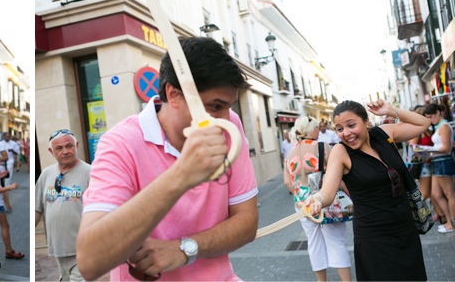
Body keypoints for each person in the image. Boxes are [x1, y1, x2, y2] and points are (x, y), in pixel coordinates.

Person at [76, 37, 258, 281]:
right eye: (215, 107)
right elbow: (90, 261)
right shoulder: (120, 143)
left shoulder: (230, 127)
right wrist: (181, 176)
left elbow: (247, 222)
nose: (225, 118)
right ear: (173, 94)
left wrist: (185, 248)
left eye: (229, 106)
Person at [306, 99, 430, 280]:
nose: (346, 133)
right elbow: (327, 192)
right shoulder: (340, 152)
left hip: (405, 229)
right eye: (340, 129)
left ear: (366, 122)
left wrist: (391, 110)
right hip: (375, 237)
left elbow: (424, 123)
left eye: (351, 125)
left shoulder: (383, 134)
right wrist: (316, 200)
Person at [283, 117, 351, 281]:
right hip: (324, 200)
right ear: (310, 130)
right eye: (315, 128)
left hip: (302, 204)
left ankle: (322, 281)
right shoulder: (321, 147)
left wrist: (301, 195)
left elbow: (287, 182)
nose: (317, 131)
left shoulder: (290, 153)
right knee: (335, 241)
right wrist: (348, 194)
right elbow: (336, 173)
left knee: (313, 243)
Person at [35, 129, 91, 282]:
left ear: (76, 145)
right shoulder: (47, 174)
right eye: (59, 148)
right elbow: (36, 209)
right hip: (59, 249)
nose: (65, 151)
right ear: (51, 151)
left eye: (69, 146)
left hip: (84, 249)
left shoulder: (90, 173)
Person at [416, 103, 455, 233]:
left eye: (431, 116)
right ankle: (449, 221)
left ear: (437, 113)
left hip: (443, 160)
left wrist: (427, 149)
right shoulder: (439, 126)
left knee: (450, 194)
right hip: (437, 161)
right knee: (436, 194)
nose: (430, 120)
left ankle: (453, 222)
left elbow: (446, 148)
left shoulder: (444, 126)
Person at [407, 105, 444, 224]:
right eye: (426, 116)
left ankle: (440, 214)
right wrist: (426, 151)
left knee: (433, 192)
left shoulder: (429, 128)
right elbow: (412, 146)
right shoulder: (418, 130)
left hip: (430, 163)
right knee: (425, 193)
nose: (428, 118)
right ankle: (415, 215)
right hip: (423, 165)